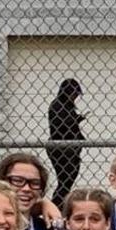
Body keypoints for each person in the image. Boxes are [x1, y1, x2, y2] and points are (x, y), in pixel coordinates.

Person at [47, 79, 85, 207]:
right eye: (74, 94)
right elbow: (61, 124)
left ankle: (59, 206)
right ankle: (57, 206)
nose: (75, 98)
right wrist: (75, 119)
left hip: (69, 148)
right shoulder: (58, 105)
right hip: (61, 149)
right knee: (65, 182)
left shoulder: (66, 106)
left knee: (66, 182)